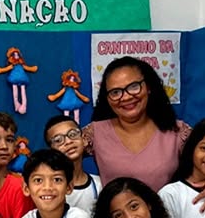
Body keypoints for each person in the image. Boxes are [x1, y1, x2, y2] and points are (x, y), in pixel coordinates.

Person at [82, 59, 193, 192]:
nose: (126, 97)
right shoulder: (94, 133)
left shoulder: (178, 132)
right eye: (115, 92)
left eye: (133, 86)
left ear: (149, 87)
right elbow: (60, 160)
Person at [44, 114, 101, 214]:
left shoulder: (99, 184)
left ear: (84, 139)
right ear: (51, 150)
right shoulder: (49, 190)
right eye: (58, 140)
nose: (68, 141)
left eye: (73, 134)